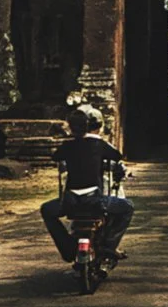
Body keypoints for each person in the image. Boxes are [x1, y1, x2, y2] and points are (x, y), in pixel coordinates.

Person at [41, 101, 133, 267]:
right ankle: (108, 246)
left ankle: (67, 247)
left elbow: (55, 157)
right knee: (127, 207)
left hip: (70, 202)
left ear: (70, 128)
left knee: (46, 210)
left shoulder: (67, 146)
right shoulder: (98, 144)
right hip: (94, 201)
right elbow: (117, 155)